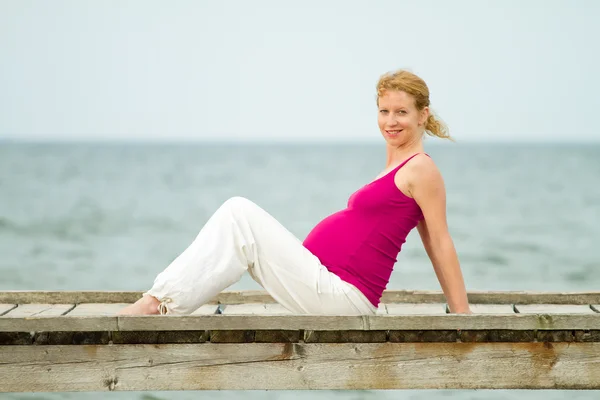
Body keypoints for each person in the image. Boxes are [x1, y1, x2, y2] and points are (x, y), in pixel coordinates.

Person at [118, 69, 471, 316]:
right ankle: (162, 302)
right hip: (328, 287)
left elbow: (438, 242)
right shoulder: (396, 167)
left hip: (344, 298)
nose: (390, 121)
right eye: (383, 111)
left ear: (423, 115)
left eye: (401, 112)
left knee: (238, 214)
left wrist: (463, 316)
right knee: (237, 226)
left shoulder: (421, 169)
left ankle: (158, 302)